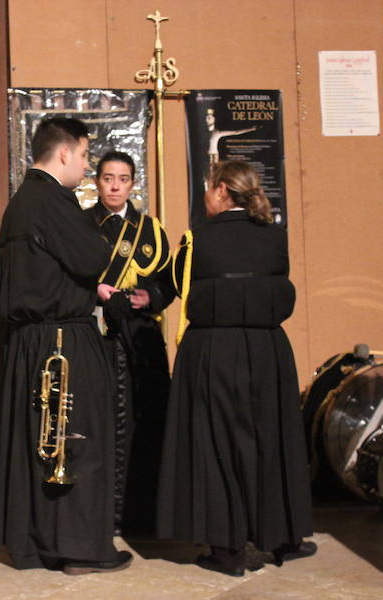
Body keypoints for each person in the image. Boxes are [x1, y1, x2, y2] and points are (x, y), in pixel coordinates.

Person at [0, 117, 132, 575]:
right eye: (85, 156)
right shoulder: (54, 200)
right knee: (77, 441)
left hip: (28, 342)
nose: (86, 167)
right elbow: (94, 259)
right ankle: (81, 550)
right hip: (63, 338)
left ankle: (36, 543)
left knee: (40, 445)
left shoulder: (22, 202)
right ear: (64, 153)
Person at [157, 160, 316, 576]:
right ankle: (281, 538)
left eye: (209, 188)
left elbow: (174, 284)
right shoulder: (275, 236)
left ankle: (226, 551)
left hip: (213, 351)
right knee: (271, 440)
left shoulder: (197, 240)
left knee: (217, 447)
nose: (205, 195)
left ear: (224, 190)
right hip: (267, 351)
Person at [90, 150, 175, 535]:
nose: (114, 186)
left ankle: (139, 512)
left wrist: (150, 297)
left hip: (140, 341)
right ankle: (101, 511)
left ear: (132, 183)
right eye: (108, 178)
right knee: (100, 424)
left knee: (142, 422)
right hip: (97, 338)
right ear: (96, 182)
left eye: (122, 179)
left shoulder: (151, 230)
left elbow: (166, 281)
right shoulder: (80, 224)